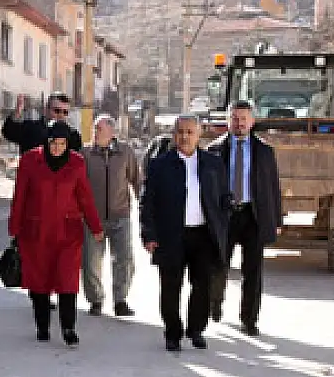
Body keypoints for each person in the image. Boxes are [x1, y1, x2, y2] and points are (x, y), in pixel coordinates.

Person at [8, 121, 102, 347]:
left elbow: (85, 197)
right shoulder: (30, 160)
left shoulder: (77, 163)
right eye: (54, 143)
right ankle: (42, 326)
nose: (58, 148)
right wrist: (15, 228)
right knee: (39, 280)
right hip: (36, 231)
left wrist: (95, 227)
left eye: (62, 144)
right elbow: (20, 195)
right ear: (46, 142)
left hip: (68, 232)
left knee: (67, 281)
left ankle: (68, 328)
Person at [139, 115, 228, 352]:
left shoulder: (213, 163)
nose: (185, 136)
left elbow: (223, 197)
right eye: (180, 131)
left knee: (203, 286)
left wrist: (223, 222)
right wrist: (148, 234)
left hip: (203, 236)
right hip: (171, 235)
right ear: (173, 135)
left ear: (199, 135)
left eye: (190, 132)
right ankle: (172, 333)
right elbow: (147, 202)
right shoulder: (160, 164)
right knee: (170, 286)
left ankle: (196, 329)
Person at [207, 100, 283, 337]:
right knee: (218, 265)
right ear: (228, 121)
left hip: (253, 216)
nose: (239, 123)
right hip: (225, 217)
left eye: (243, 119)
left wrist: (277, 220)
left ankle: (249, 319)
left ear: (252, 121)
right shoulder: (214, 150)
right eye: (235, 118)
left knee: (253, 271)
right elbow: (207, 189)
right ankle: (215, 302)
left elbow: (273, 187)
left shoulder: (264, 152)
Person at [81, 114, 142, 317]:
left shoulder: (125, 152)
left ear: (112, 132)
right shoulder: (86, 154)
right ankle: (96, 300)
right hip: (93, 219)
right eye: (95, 128)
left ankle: (120, 300)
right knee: (91, 262)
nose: (95, 132)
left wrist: (143, 205)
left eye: (99, 129)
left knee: (124, 259)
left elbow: (136, 180)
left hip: (120, 216)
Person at [1, 93, 83, 154]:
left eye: (65, 112)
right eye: (57, 110)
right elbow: (8, 131)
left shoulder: (73, 136)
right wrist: (17, 111)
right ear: (46, 110)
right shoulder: (31, 129)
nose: (61, 115)